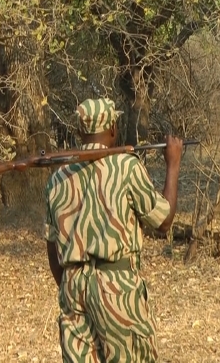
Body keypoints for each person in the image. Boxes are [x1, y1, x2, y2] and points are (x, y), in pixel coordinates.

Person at [44, 98, 183, 363]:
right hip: (116, 287)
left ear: (79, 131)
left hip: (72, 286)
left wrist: (73, 286)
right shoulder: (126, 167)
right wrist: (173, 164)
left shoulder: (58, 178)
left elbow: (52, 247)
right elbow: (163, 221)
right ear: (112, 129)